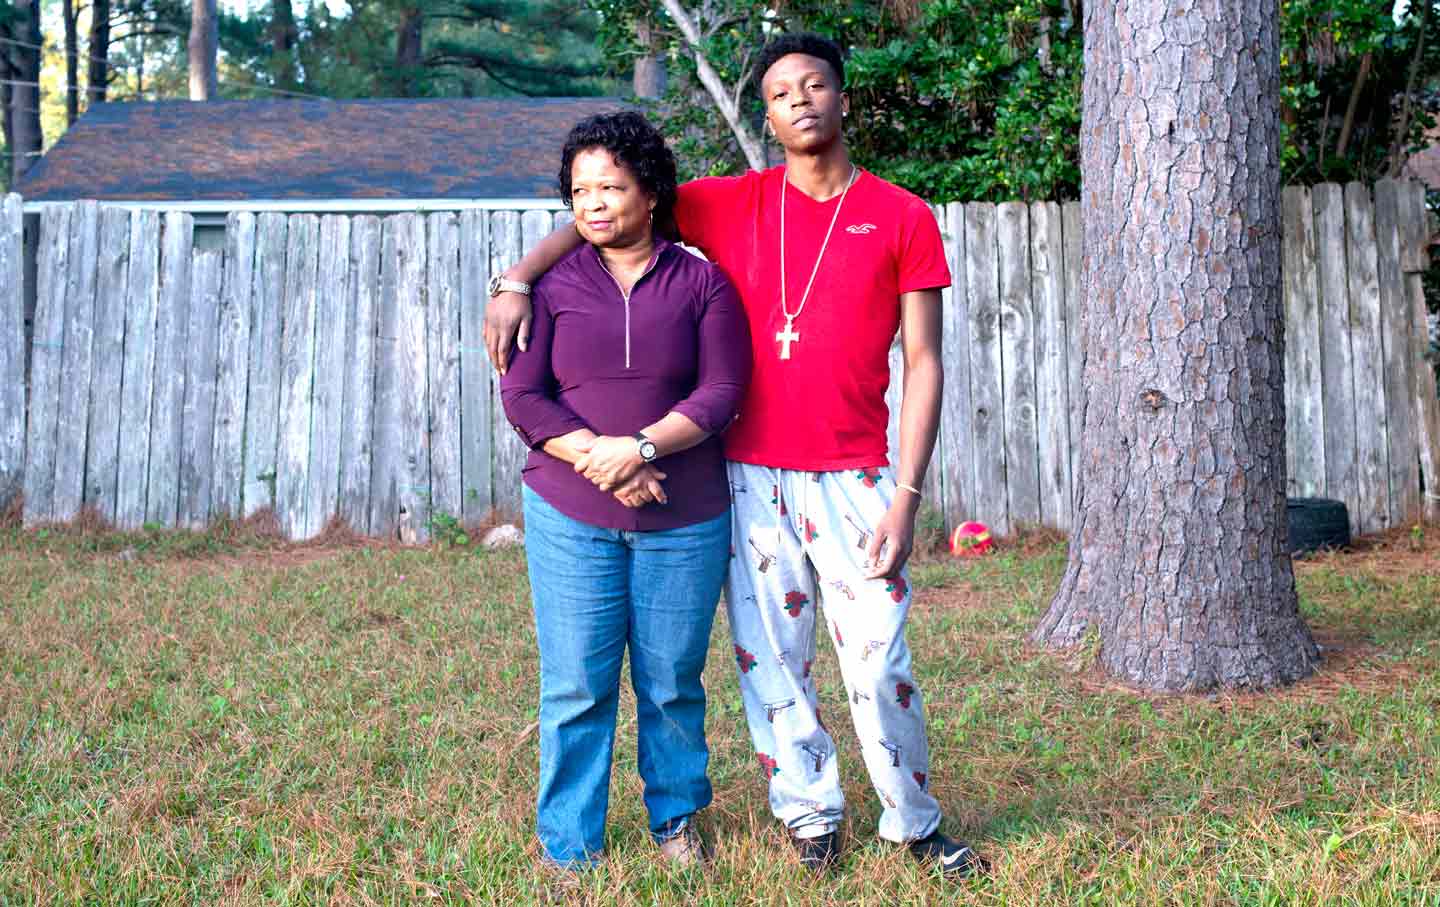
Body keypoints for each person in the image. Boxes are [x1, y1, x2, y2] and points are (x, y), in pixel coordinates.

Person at [485, 34, 986, 880]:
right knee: (771, 662)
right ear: (767, 116)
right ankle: (809, 814)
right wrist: (518, 279)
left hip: (857, 474)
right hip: (750, 478)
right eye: (781, 92)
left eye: (815, 84)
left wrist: (906, 494)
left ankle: (916, 820)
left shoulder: (902, 214)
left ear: (843, 99)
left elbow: (924, 361)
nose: (798, 100)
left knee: (879, 657)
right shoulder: (729, 203)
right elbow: (603, 208)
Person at [498, 110, 751, 870]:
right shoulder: (550, 287)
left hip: (686, 515)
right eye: (580, 191)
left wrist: (640, 446)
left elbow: (724, 390)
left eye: (611, 186)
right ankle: (570, 844)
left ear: (650, 194)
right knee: (576, 682)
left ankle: (677, 822)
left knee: (672, 677)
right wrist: (601, 459)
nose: (594, 203)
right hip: (570, 512)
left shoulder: (702, 281)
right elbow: (524, 396)